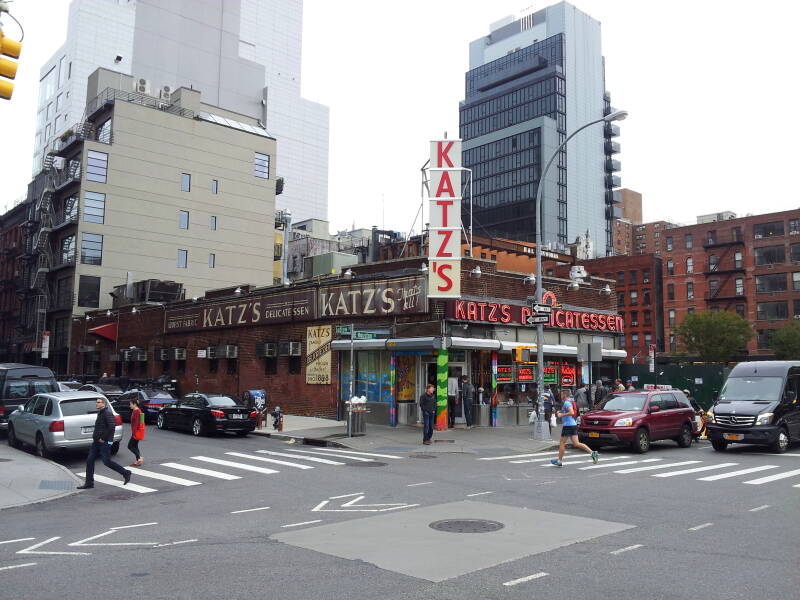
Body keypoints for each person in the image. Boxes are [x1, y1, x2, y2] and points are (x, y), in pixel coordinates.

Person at [77, 397, 131, 489]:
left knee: (107, 461)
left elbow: (112, 427)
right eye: (96, 402)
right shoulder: (101, 413)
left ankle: (125, 472)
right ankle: (89, 483)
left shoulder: (107, 413)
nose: (96, 404)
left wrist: (104, 438)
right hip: (96, 442)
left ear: (104, 404)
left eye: (98, 402)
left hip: (104, 442)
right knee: (89, 461)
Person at [551, 395, 598, 467]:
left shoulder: (567, 403)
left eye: (561, 395)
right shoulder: (569, 402)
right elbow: (569, 412)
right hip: (572, 425)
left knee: (562, 442)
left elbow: (571, 412)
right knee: (576, 443)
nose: (560, 396)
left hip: (568, 425)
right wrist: (559, 412)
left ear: (564, 395)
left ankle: (559, 461)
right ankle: (592, 453)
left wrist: (561, 415)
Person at [127, 397, 145, 467]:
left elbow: (138, 423)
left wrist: (134, 432)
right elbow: (142, 421)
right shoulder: (137, 411)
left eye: (131, 404)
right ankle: (138, 461)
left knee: (130, 446)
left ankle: (140, 457)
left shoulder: (137, 411)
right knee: (135, 446)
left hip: (136, 432)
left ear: (134, 404)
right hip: (136, 431)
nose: (130, 405)